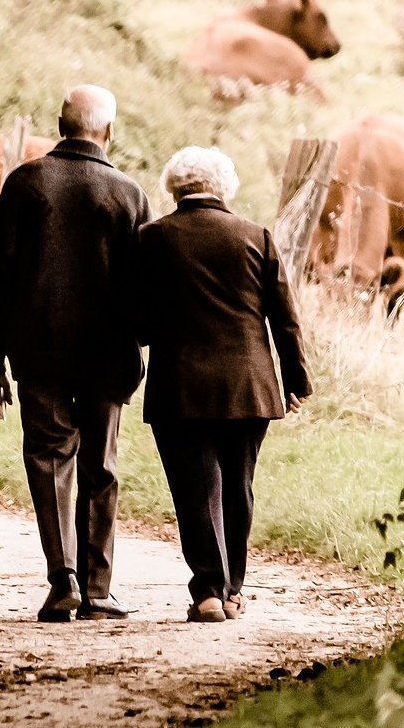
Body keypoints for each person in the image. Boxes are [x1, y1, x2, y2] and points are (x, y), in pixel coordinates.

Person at [0, 85, 152, 623]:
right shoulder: (128, 193)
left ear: (59, 124)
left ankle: (63, 581)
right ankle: (99, 590)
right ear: (110, 132)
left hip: (39, 352)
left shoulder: (26, 184)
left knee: (50, 460)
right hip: (107, 355)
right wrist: (139, 343)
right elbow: (142, 286)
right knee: (100, 464)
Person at [133, 146, 312, 623]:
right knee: (238, 486)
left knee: (196, 489)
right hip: (250, 385)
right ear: (224, 187)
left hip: (179, 386)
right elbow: (285, 319)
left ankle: (208, 591)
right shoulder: (256, 237)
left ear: (175, 187)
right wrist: (296, 378)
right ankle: (232, 590)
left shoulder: (151, 239)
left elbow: (139, 321)